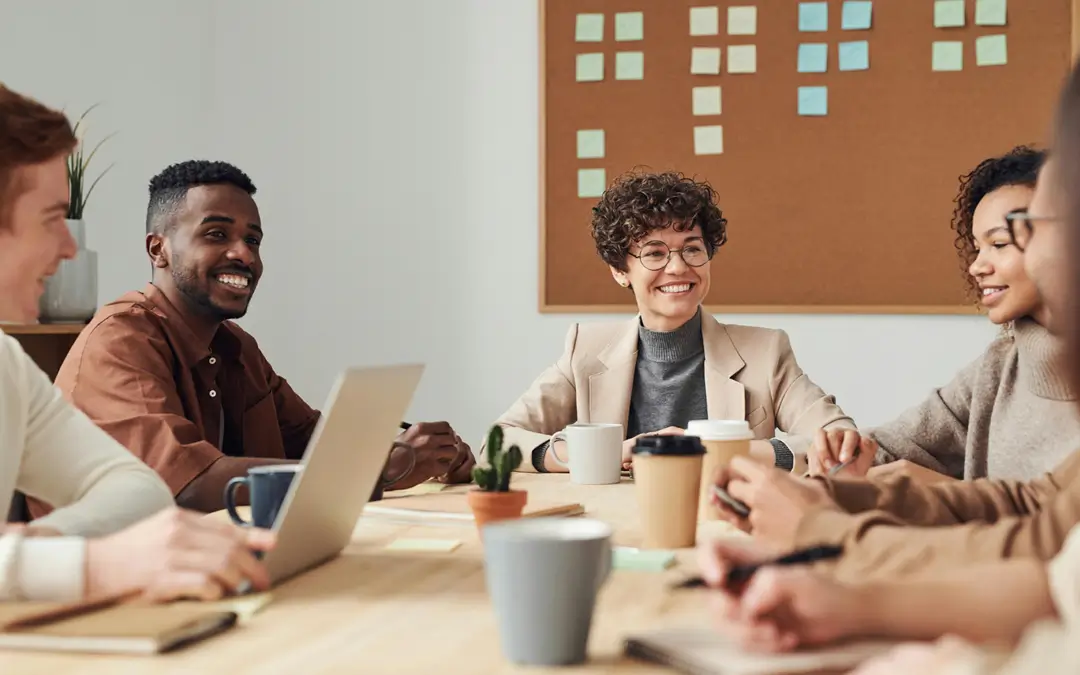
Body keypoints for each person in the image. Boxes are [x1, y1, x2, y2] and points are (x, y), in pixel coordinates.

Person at [700, 58, 1080, 672]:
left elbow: (1041, 549)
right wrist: (825, 501)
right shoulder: (1004, 357)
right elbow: (1034, 507)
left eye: (1027, 234)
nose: (992, 263)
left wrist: (822, 531)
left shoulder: (766, 345)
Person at [31, 160, 475, 516]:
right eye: (216, 234)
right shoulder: (121, 340)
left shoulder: (235, 346)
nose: (243, 254)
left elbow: (313, 439)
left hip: (214, 563)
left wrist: (420, 451)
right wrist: (378, 469)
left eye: (253, 239)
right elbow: (189, 485)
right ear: (158, 249)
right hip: (104, 592)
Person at [0, 83, 274, 602]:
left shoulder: (8, 366)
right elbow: (175, 488)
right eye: (52, 218)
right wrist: (89, 565)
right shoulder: (120, 335)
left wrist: (30, 555)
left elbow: (140, 493)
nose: (68, 247)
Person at [492, 171, 856, 474]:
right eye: (654, 253)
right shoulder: (584, 349)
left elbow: (840, 439)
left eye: (692, 248)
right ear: (621, 271)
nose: (679, 267)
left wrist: (718, 451)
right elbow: (499, 441)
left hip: (724, 524)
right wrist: (603, 454)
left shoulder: (765, 351)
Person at [812, 147, 1080, 485]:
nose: (977, 266)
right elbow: (893, 445)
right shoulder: (999, 366)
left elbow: (1048, 526)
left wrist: (936, 488)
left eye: (998, 244)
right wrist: (842, 454)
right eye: (977, 247)